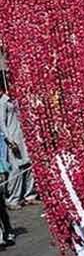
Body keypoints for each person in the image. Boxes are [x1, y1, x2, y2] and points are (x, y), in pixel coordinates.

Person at [0, 77, 35, 209]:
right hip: (13, 138)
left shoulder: (14, 99)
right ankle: (13, 199)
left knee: (29, 165)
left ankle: (29, 195)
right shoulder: (3, 102)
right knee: (16, 168)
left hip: (23, 136)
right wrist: (9, 140)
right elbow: (2, 123)